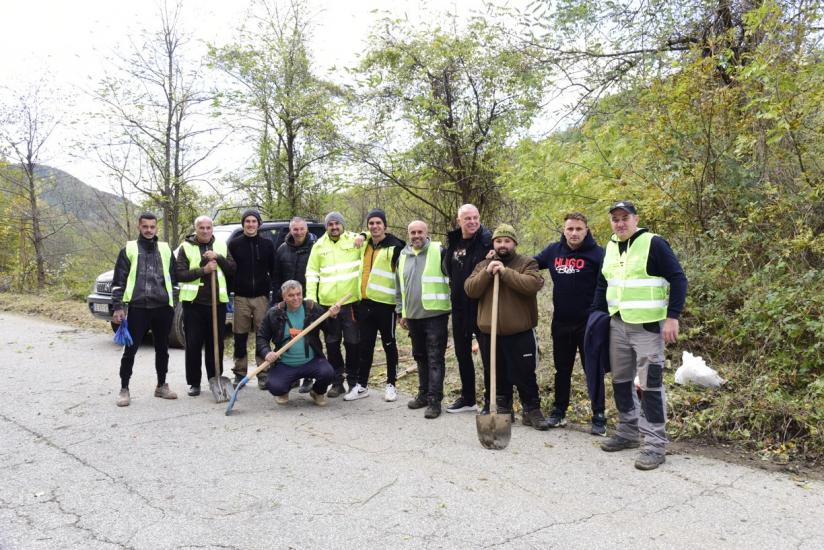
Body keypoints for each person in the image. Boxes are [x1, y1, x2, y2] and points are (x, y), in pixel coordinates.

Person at [592, 201, 687, 471]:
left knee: (651, 384)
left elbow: (678, 278)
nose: (620, 223)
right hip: (617, 324)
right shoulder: (610, 247)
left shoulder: (653, 243)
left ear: (636, 219)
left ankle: (655, 444)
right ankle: (628, 431)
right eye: (615, 219)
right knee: (621, 380)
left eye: (625, 218)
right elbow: (603, 283)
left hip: (647, 327)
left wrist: (672, 316)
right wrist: (595, 316)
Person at [465, 224, 549, 430]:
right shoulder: (483, 264)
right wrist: (487, 271)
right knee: (495, 371)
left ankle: (531, 410)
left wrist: (505, 272)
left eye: (507, 241)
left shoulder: (526, 263)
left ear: (514, 243)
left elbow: (531, 285)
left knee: (524, 373)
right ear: (494, 243)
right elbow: (470, 289)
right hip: (489, 332)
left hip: (519, 331)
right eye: (499, 241)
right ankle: (502, 409)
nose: (503, 245)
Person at [534, 213, 607, 434]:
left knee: (593, 370)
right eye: (570, 229)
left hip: (589, 323)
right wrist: (499, 258)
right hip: (561, 321)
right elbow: (530, 263)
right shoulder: (553, 251)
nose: (574, 233)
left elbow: (609, 284)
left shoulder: (599, 254)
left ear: (587, 230)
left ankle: (599, 415)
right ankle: (558, 412)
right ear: (564, 230)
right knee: (562, 369)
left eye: (578, 229)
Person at [110, 212, 178, 406]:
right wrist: (118, 307)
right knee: (130, 350)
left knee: (162, 349)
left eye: (152, 227)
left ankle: (161, 386)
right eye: (145, 226)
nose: (149, 230)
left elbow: (173, 280)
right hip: (138, 307)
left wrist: (172, 302)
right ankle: (124, 389)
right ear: (139, 227)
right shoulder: (129, 249)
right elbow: (118, 282)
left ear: (157, 228)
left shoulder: (165, 250)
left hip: (162, 308)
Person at [346, 209, 406, 402]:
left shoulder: (395, 246)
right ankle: (362, 386)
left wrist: (401, 308)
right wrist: (363, 235)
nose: (375, 226)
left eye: (378, 223)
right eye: (371, 223)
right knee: (366, 346)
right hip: (365, 304)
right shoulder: (365, 244)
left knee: (389, 344)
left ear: (385, 226)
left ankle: (391, 384)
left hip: (386, 306)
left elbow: (401, 278)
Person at [175, 215, 237, 396]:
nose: (205, 230)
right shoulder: (186, 247)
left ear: (212, 229)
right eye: (201, 228)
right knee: (193, 344)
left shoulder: (221, 246)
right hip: (194, 304)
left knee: (215, 344)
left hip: (216, 304)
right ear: (196, 229)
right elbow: (180, 274)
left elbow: (232, 269)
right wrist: (204, 270)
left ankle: (215, 378)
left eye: (208, 227)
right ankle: (194, 382)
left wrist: (218, 258)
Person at [395, 221, 451, 419]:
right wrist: (401, 312)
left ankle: (435, 401)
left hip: (435, 315)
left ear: (426, 233)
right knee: (419, 357)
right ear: (408, 234)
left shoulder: (439, 251)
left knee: (435, 358)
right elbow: (399, 286)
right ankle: (424, 395)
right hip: (413, 317)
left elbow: (453, 276)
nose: (416, 235)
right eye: (412, 232)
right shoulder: (403, 255)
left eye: (420, 232)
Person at [304, 212, 362, 397]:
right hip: (329, 305)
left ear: (343, 225)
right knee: (332, 343)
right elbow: (312, 273)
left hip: (350, 302)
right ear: (326, 226)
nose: (334, 227)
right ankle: (338, 382)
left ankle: (354, 380)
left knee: (353, 342)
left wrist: (364, 235)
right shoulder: (319, 246)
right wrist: (310, 298)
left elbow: (373, 236)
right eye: (331, 224)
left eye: (337, 224)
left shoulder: (354, 240)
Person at [256, 280, 340, 406]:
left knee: (328, 373)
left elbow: (331, 331)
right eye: (291, 295)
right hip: (285, 364)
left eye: (298, 294)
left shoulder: (312, 308)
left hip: (311, 361)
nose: (296, 298)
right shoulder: (274, 313)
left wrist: (333, 318)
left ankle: (317, 392)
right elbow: (261, 337)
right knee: (274, 386)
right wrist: (267, 353)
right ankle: (284, 391)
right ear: (284, 297)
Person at [443, 204, 493, 413]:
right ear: (459, 221)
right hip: (459, 307)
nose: (472, 222)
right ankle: (468, 398)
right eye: (467, 219)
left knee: (488, 355)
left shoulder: (487, 241)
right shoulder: (454, 242)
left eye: (475, 217)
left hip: (481, 306)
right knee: (462, 353)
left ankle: (492, 400)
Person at [227, 209, 276, 389]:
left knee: (262, 335)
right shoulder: (234, 244)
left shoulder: (267, 244)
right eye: (247, 221)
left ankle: (263, 373)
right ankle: (239, 373)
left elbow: (274, 269)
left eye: (253, 221)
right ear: (243, 224)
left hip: (261, 297)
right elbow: (229, 269)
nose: (250, 224)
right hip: (241, 297)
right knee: (240, 336)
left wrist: (271, 290)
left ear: (259, 224)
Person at [272, 216, 318, 393]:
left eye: (301, 229)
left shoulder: (315, 248)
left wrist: (313, 298)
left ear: (306, 229)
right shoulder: (282, 249)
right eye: (295, 229)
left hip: (307, 300)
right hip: (288, 302)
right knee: (288, 337)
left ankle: (308, 377)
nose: (298, 232)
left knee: (309, 337)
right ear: (290, 230)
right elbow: (276, 276)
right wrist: (278, 298)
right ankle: (291, 376)